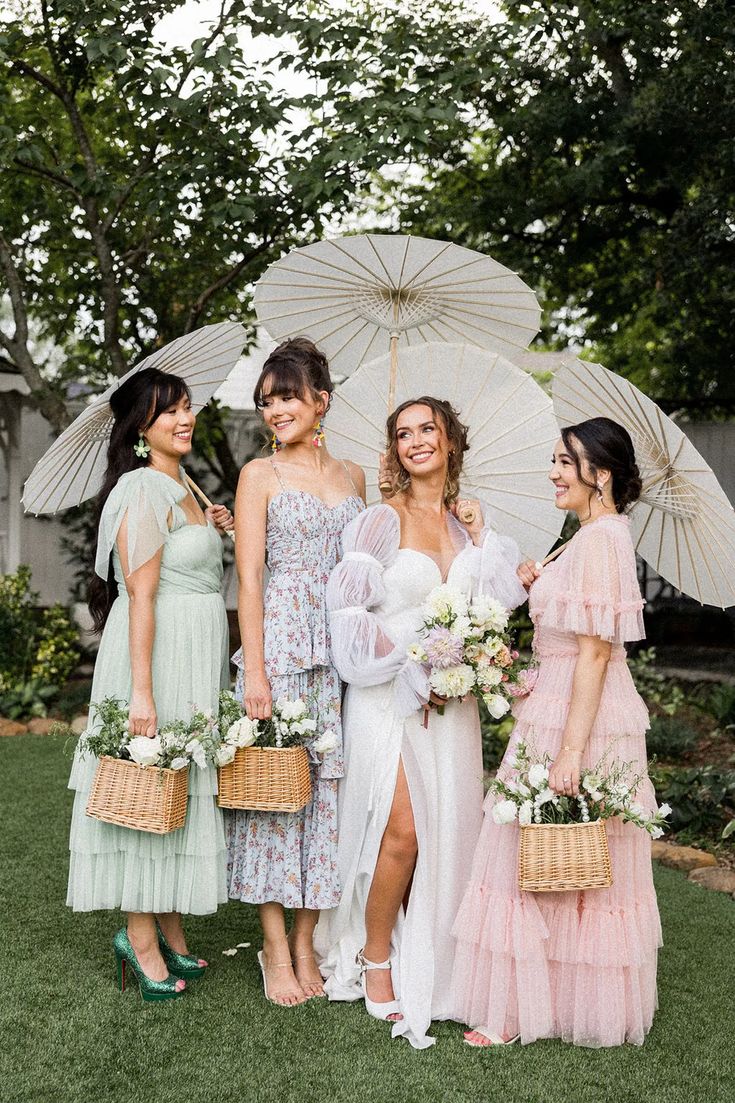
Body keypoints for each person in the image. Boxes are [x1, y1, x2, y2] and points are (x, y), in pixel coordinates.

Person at [315, 396, 527, 1049]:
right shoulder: (379, 522)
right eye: (402, 433)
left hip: (452, 708)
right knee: (400, 833)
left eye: (425, 429)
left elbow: (491, 613)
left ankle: (439, 960)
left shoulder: (470, 532)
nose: (415, 441)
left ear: (450, 441)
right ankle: (375, 958)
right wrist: (410, 663)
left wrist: (486, 539)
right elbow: (347, 627)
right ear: (394, 451)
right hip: (389, 700)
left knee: (447, 835)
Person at [453, 415, 660, 1049]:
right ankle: (531, 1002)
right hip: (554, 700)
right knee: (544, 854)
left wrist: (571, 751)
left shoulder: (603, 541)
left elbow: (596, 654)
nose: (552, 473)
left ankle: (523, 1010)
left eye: (564, 464)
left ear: (600, 475)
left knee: (563, 854)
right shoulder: (584, 536)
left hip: (581, 716)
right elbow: (564, 641)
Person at [67, 367, 234, 1001]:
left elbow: (184, 562)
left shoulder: (184, 481)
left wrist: (210, 524)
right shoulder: (141, 487)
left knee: (177, 786)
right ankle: (138, 940)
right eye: (170, 411)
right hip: (157, 653)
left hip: (193, 651)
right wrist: (142, 692)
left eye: (189, 407)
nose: (185, 419)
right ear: (142, 425)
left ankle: (170, 926)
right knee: (145, 784)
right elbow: (140, 596)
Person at [227, 337, 365, 1007]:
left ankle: (309, 937)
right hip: (280, 645)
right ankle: (275, 947)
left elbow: (372, 564)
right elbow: (248, 579)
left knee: (326, 793)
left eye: (286, 396)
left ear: (321, 400)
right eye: (266, 400)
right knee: (275, 794)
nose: (274, 409)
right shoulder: (259, 475)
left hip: (337, 649)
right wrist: (254, 670)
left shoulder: (355, 478)